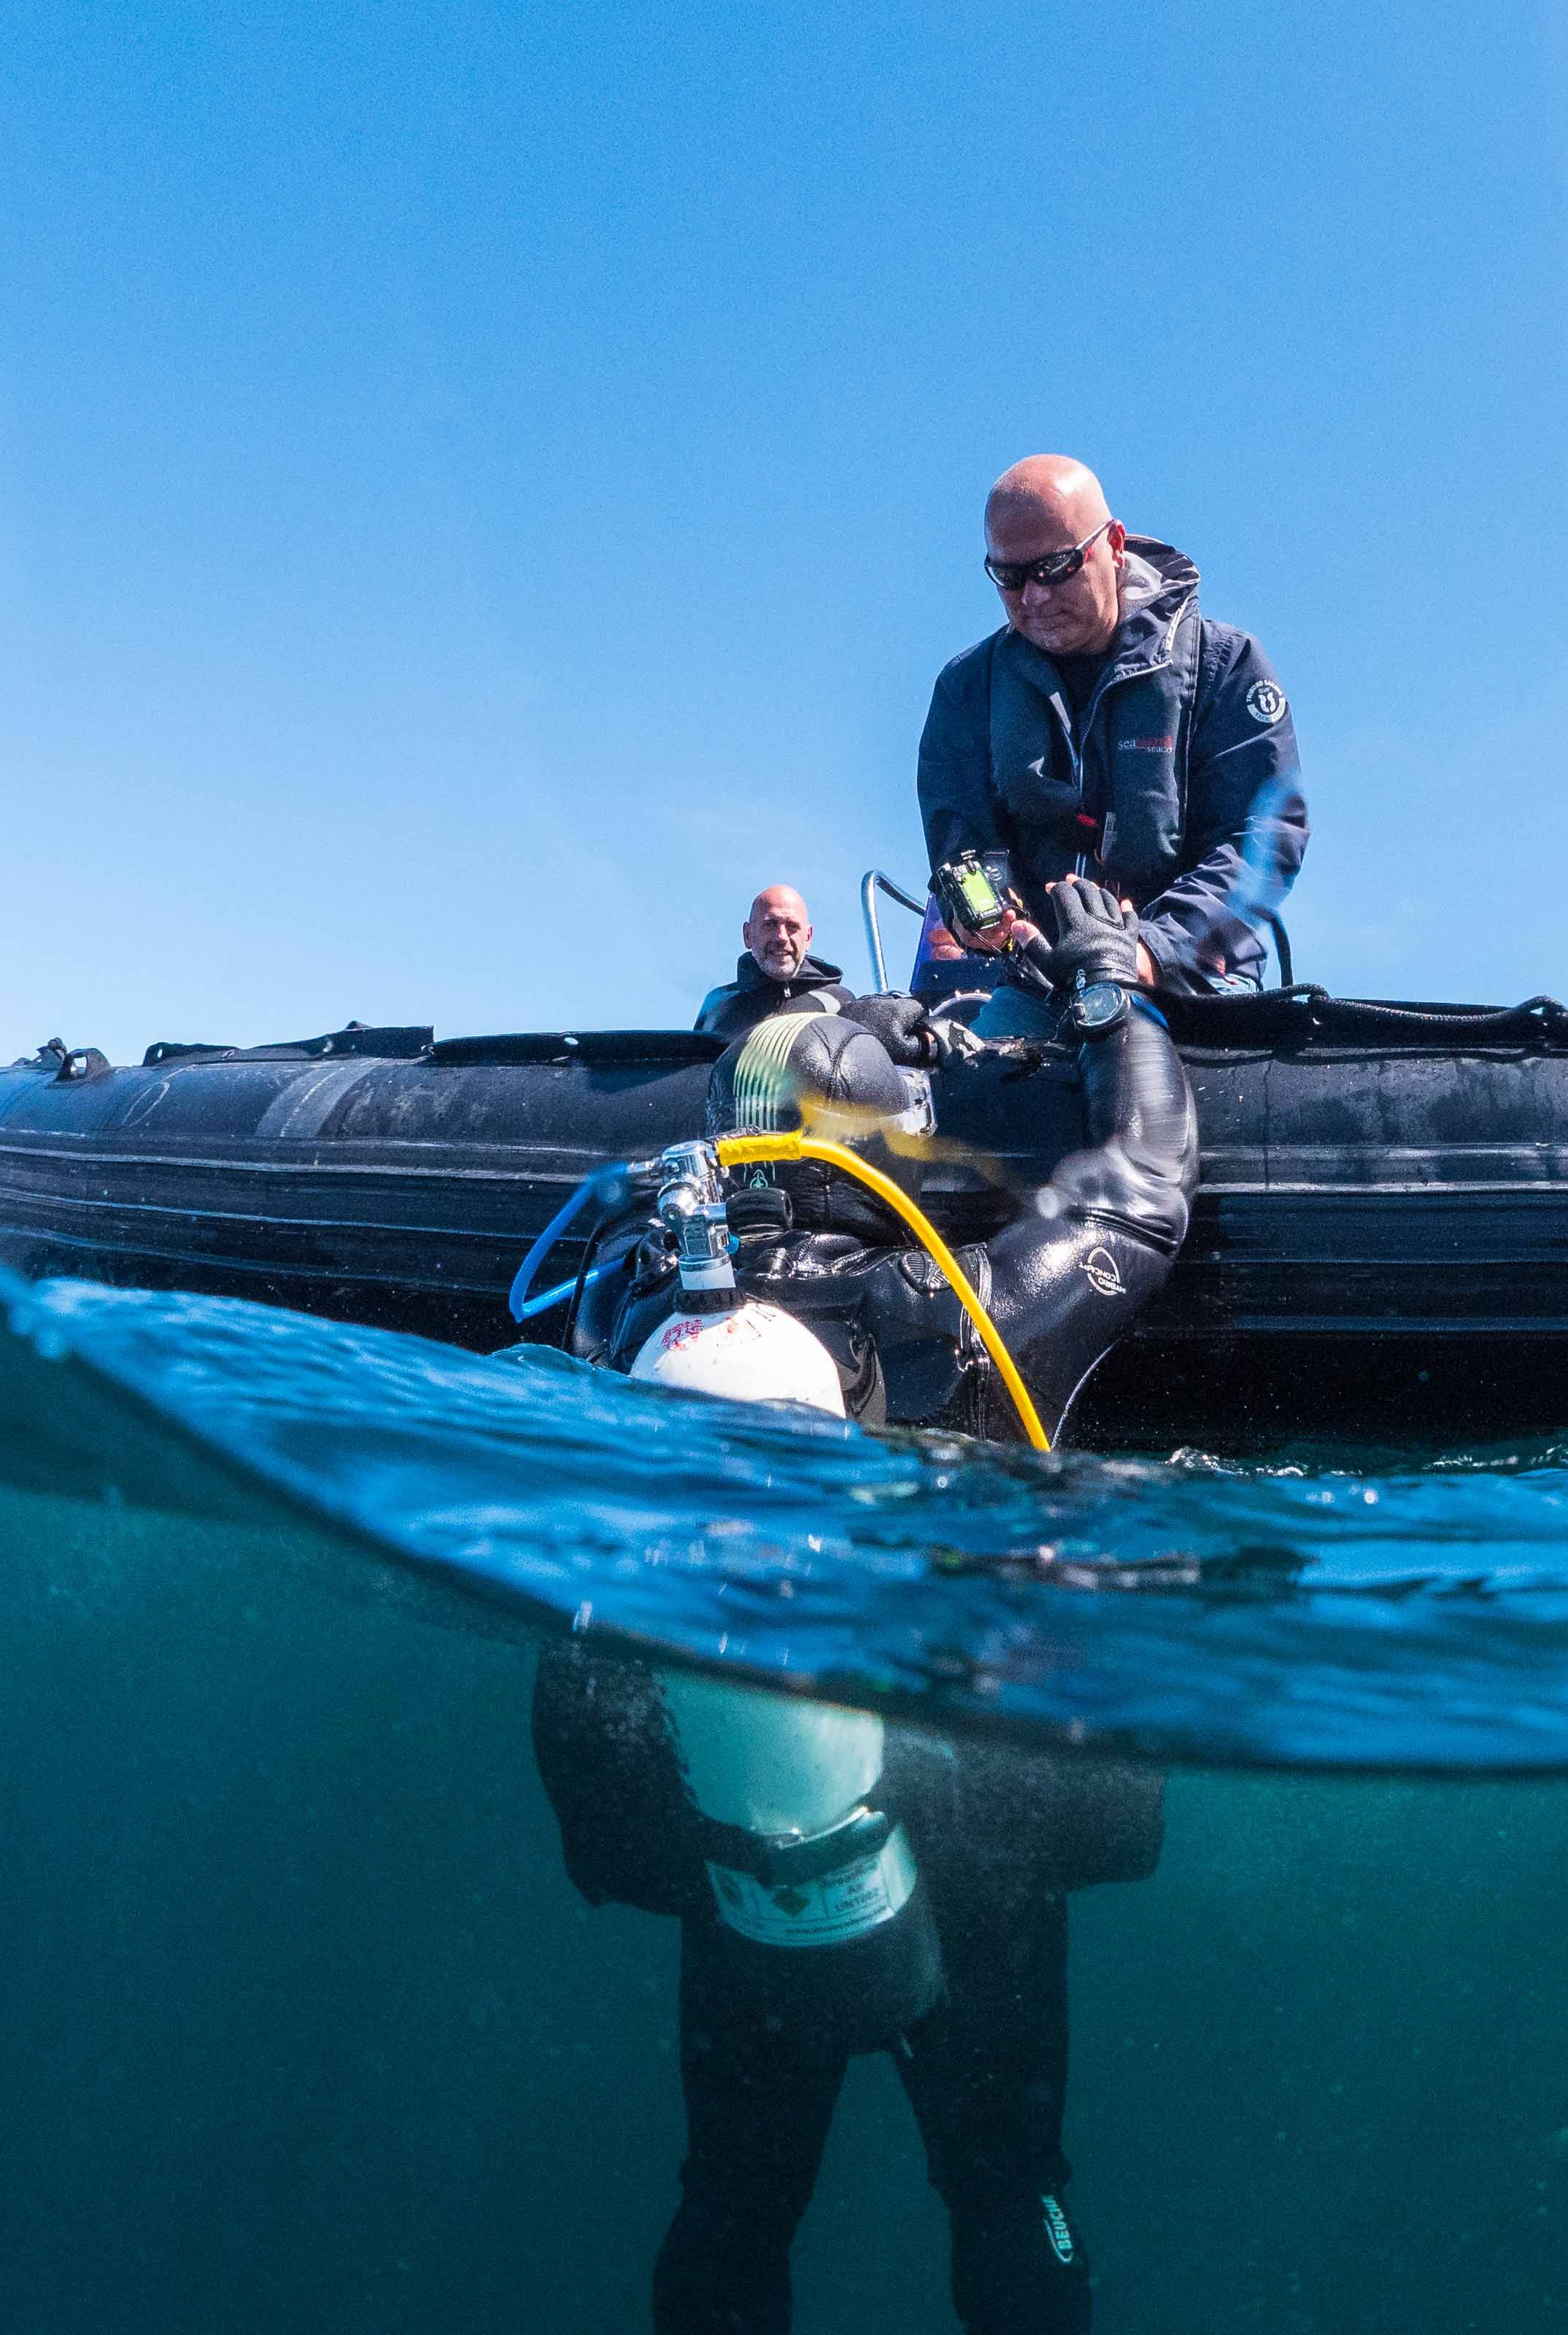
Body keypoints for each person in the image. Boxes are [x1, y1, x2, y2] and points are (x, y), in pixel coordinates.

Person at [537, 880, 1193, 2334]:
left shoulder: (617, 1329)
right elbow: (1146, 1188)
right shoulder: (956, 1312)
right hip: (977, 1869)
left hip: (744, 1869)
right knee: (1007, 2187)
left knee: (731, 2204)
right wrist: (1107, 983)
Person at [914, 455, 1305, 1002]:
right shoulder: (965, 689)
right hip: (1039, 988)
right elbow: (962, 844)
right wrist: (989, 919)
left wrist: (1148, 951)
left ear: (1115, 545)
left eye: (1055, 567)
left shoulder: (1226, 664)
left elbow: (1261, 839)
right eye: (1009, 576)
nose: (1033, 597)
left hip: (1199, 982)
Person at [695, 885, 847, 1039]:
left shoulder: (839, 1002)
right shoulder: (718, 1006)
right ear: (748, 935)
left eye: (792, 926)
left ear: (807, 937)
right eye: (770, 925)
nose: (781, 937)